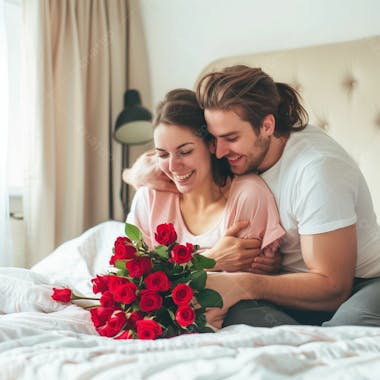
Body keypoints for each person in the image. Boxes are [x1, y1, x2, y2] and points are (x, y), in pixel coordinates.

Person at [125, 66, 380, 329]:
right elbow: (167, 157)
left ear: (267, 126)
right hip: (289, 286)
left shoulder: (317, 170)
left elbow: (333, 288)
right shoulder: (236, 156)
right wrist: (135, 174)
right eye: (213, 139)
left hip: (361, 282)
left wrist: (244, 283)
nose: (219, 151)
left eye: (230, 138)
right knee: (240, 317)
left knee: (349, 329)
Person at [126, 88, 285, 283]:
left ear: (212, 144)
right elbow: (134, 284)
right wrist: (211, 260)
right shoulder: (149, 196)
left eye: (185, 152)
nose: (173, 166)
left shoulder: (248, 196)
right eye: (163, 154)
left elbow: (234, 294)